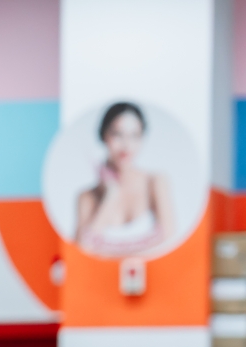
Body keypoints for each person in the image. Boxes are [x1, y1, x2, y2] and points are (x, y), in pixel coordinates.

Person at [74, 102, 174, 258]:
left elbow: (170, 240)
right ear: (104, 136)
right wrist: (110, 197)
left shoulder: (155, 182)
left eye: (134, 136)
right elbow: (81, 253)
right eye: (117, 134)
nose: (126, 145)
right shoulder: (87, 197)